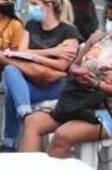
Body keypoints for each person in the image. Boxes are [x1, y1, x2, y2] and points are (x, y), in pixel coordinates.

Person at [0, 0, 80, 150]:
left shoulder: (69, 31)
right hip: (31, 82)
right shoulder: (31, 25)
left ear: (48, 5)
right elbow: (21, 53)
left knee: (12, 94)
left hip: (56, 87)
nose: (30, 7)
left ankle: (8, 141)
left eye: (34, 4)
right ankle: (25, 114)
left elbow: (62, 66)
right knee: (10, 70)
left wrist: (34, 56)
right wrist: (52, 52)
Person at [20, 30, 112, 159]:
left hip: (106, 112)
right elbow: (73, 66)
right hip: (80, 102)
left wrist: (96, 84)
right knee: (33, 122)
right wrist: (78, 72)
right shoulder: (100, 38)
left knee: (63, 135)